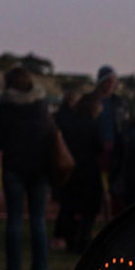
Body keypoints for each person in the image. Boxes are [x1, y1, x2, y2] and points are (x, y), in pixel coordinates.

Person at [0, 66, 52, 270]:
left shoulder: (6, 107)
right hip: (39, 168)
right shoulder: (41, 106)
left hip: (14, 167)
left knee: (14, 220)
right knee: (38, 221)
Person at [55, 88, 104, 251]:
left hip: (71, 169)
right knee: (90, 209)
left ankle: (70, 239)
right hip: (89, 171)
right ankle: (83, 239)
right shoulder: (93, 124)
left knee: (69, 206)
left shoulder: (69, 121)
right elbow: (100, 146)